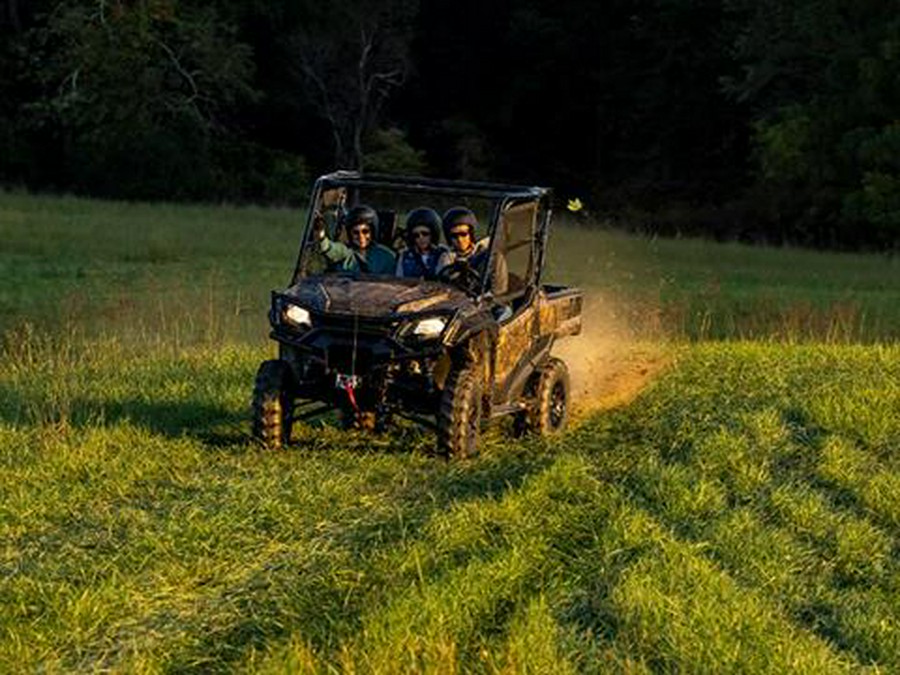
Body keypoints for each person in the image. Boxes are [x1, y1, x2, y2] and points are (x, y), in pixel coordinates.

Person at [436, 206, 508, 295]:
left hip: (487, 300)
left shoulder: (486, 254)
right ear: (448, 237)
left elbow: (499, 288)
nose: (459, 240)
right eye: (454, 236)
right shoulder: (447, 257)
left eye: (463, 234)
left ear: (471, 233)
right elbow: (442, 284)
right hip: (456, 301)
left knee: (505, 309)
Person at [313, 204, 396, 275]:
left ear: (372, 232)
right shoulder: (346, 253)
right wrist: (321, 235)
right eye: (356, 232)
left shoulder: (386, 257)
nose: (361, 236)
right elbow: (330, 248)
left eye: (365, 231)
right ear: (350, 234)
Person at [395, 207, 447, 280]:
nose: (421, 238)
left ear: (433, 233)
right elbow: (399, 280)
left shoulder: (442, 254)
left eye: (425, 234)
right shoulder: (405, 256)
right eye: (416, 235)